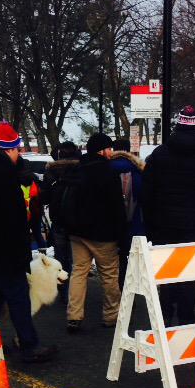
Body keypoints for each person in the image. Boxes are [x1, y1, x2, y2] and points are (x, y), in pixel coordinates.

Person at [0, 122, 55, 363]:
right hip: (6, 249)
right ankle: (29, 344)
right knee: (18, 297)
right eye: (17, 149)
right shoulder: (5, 174)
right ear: (10, 149)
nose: (19, 154)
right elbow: (11, 217)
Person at [140, 106, 195, 325]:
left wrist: (148, 225)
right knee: (188, 271)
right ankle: (186, 316)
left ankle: (165, 315)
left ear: (177, 127)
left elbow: (146, 192)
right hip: (191, 224)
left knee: (166, 270)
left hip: (162, 224)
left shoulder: (159, 154)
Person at [65, 133, 127, 333]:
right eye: (109, 148)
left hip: (77, 232)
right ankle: (111, 316)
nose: (111, 152)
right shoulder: (109, 174)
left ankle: (74, 316)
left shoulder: (77, 169)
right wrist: (121, 234)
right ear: (102, 150)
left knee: (78, 272)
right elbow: (117, 207)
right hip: (103, 234)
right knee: (109, 275)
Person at [43, 141, 80, 301]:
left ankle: (64, 292)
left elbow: (45, 197)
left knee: (60, 257)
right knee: (76, 260)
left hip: (58, 219)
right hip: (76, 220)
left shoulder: (51, 172)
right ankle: (75, 294)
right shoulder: (80, 170)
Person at [110, 138, 146, 286]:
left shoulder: (106, 167)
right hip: (135, 222)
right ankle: (129, 288)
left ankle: (113, 292)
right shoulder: (139, 169)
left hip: (110, 223)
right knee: (130, 256)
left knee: (111, 260)